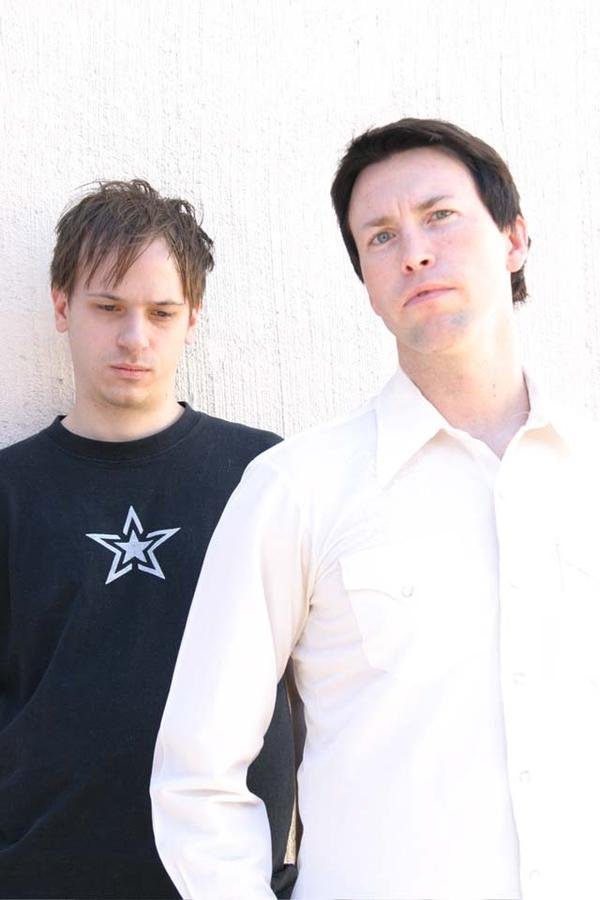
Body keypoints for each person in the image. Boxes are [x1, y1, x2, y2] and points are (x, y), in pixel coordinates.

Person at [151, 119, 600, 900]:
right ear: (365, 279)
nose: (414, 252)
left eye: (439, 216)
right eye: (381, 236)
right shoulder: (296, 488)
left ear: (514, 238)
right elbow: (198, 772)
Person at [0, 180, 296, 899]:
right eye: (107, 308)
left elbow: (325, 684)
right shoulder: (10, 490)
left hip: (228, 882)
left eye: (161, 312)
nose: (135, 338)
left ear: (192, 318)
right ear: (62, 306)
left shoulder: (265, 475)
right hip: (40, 877)